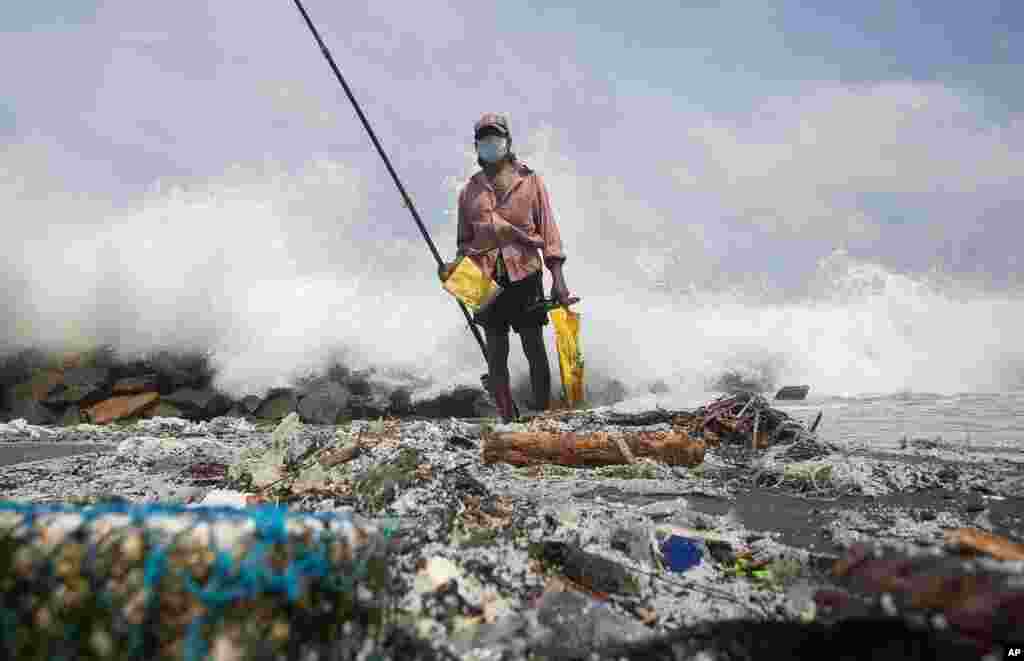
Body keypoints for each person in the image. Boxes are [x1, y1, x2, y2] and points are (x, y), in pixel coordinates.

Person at [439, 112, 573, 422]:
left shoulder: (531, 181)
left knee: (534, 347)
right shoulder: (469, 191)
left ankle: (542, 415)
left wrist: (559, 279)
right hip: (484, 275)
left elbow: (549, 232)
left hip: (525, 271)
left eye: (495, 137)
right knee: (496, 354)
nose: (490, 143)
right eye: (484, 139)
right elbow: (464, 243)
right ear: (476, 146)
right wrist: (452, 269)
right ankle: (506, 419)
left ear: (507, 141)